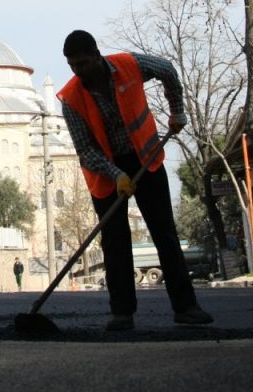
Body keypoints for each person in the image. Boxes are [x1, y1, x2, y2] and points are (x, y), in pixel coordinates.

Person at [58, 29, 213, 332]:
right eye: (73, 66)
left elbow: (167, 70)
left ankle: (186, 307)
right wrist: (117, 175)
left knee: (164, 233)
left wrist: (177, 111)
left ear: (96, 55)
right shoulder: (71, 98)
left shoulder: (129, 65)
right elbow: (85, 150)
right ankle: (122, 313)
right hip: (105, 172)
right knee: (115, 242)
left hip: (145, 157)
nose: (80, 71)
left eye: (84, 63)